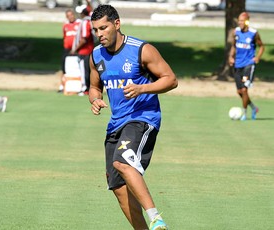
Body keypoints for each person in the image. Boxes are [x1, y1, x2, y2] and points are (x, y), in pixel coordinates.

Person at [89, 4, 178, 230]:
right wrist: (95, 99)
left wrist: (142, 89)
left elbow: (170, 79)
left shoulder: (141, 49)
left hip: (142, 118)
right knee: (118, 188)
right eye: (95, 30)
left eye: (103, 28)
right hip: (115, 124)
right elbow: (93, 86)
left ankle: (156, 217)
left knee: (123, 161)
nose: (99, 34)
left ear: (116, 24)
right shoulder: (95, 55)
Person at [229, 12, 264, 121]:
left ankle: (244, 113)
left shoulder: (254, 33)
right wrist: (231, 57)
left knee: (244, 90)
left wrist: (257, 57)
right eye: (239, 20)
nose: (240, 22)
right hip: (238, 64)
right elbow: (234, 46)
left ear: (247, 21)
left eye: (242, 21)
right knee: (239, 91)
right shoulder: (236, 32)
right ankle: (254, 108)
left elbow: (262, 46)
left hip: (248, 65)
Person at [72, 7, 95, 95]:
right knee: (87, 70)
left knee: (84, 70)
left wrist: (75, 49)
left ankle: (85, 88)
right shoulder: (89, 20)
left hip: (85, 51)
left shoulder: (85, 22)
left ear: (83, 13)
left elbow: (84, 38)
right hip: (88, 50)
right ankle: (87, 88)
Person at [58, 9, 81, 93]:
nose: (70, 17)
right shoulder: (65, 25)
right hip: (67, 49)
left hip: (77, 49)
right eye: (68, 16)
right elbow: (64, 37)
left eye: (71, 15)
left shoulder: (79, 23)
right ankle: (62, 85)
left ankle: (81, 85)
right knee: (64, 67)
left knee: (79, 67)